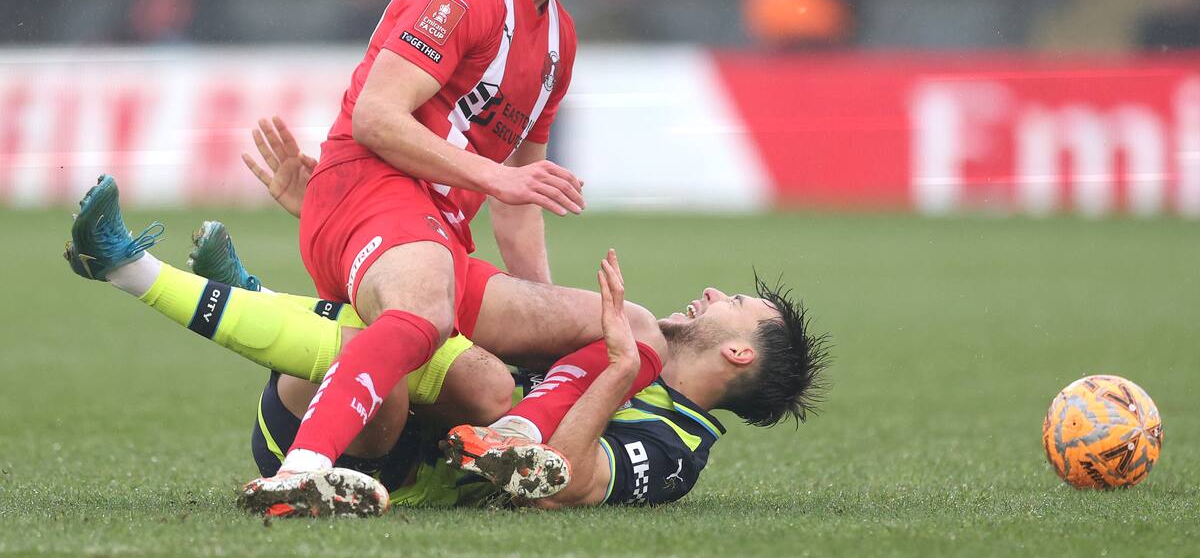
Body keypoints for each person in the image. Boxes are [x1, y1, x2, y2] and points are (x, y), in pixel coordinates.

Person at [221, 0, 670, 515]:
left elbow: (520, 199)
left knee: (634, 329)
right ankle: (300, 470)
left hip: (438, 239)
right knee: (426, 308)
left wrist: (544, 338)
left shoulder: (558, 43)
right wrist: (493, 177)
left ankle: (515, 433)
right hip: (368, 190)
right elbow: (377, 117)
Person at [61, 176, 830, 513]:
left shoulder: (674, 451)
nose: (714, 293)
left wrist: (619, 367)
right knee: (453, 349)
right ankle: (203, 284)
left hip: (384, 456)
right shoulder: (631, 349)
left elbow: (562, 484)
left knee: (462, 372)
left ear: (739, 354)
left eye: (735, 304)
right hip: (373, 406)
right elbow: (517, 305)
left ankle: (142, 272)